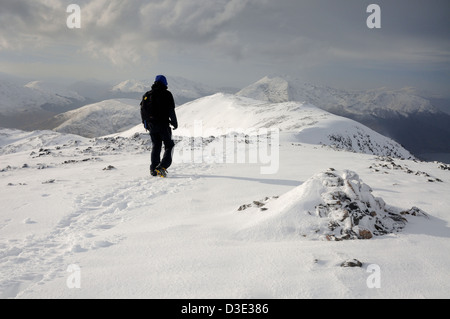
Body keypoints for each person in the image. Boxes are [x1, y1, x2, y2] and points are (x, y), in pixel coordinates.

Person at [140, 75, 178, 177]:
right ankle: (162, 167)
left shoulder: (147, 95)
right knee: (169, 145)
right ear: (165, 83)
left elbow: (143, 111)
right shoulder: (167, 94)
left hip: (151, 125)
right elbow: (171, 110)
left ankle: (153, 169)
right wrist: (174, 122)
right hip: (163, 125)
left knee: (156, 146)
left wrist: (146, 124)